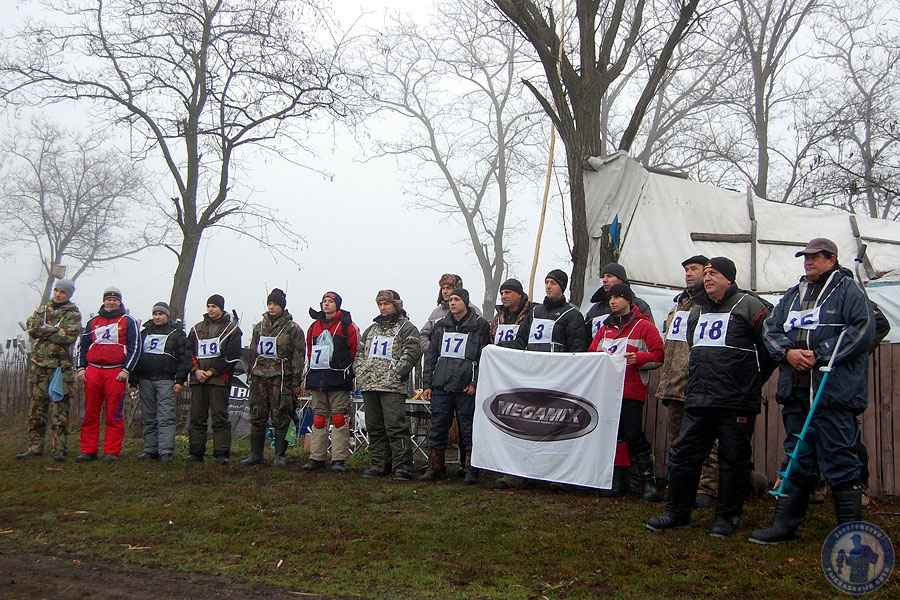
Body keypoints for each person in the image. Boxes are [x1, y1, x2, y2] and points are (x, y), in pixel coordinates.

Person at [749, 238, 874, 545]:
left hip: (833, 393)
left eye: (815, 257)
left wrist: (821, 353)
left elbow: (863, 329)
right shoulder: (793, 295)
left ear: (831, 259)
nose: (808, 261)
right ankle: (784, 526)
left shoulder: (848, 291)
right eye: (805, 257)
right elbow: (770, 329)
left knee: (841, 461)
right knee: (797, 458)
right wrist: (788, 353)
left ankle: (852, 536)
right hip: (796, 391)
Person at [647, 257, 775, 538]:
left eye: (713, 273)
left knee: (733, 460)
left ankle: (727, 516)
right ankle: (677, 512)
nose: (707, 278)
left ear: (729, 278)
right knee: (684, 455)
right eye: (705, 274)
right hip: (699, 399)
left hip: (735, 401)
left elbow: (770, 349)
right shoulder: (697, 311)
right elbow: (694, 346)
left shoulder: (750, 306)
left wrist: (752, 381)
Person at [493, 269, 587, 490]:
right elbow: (520, 342)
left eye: (553, 283)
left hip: (557, 380)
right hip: (532, 377)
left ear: (562, 286)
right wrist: (495, 350)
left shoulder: (572, 315)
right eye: (546, 282)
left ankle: (556, 475)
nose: (548, 286)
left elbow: (578, 350)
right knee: (526, 425)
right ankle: (517, 473)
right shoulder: (535, 313)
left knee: (555, 427)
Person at [589, 283, 665, 501]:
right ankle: (618, 481)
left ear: (629, 300)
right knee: (616, 436)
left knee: (633, 435)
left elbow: (659, 355)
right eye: (610, 298)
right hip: (608, 391)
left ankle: (649, 483)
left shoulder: (644, 326)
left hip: (631, 391)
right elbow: (591, 354)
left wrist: (638, 359)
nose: (612, 301)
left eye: (617, 297)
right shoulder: (605, 329)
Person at [655, 255, 720, 507]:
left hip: (699, 383)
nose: (689, 273)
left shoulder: (711, 304)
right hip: (674, 383)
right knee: (677, 441)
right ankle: (682, 486)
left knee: (706, 441)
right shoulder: (679, 305)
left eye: (694, 269)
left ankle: (707, 487)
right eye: (686, 270)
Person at [420, 288, 491, 484]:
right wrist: (428, 384)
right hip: (442, 384)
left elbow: (483, 356)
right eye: (450, 299)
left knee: (467, 427)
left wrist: (475, 382)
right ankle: (435, 465)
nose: (452, 303)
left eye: (457, 299)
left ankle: (470, 468)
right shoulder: (441, 325)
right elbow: (431, 356)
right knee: (438, 425)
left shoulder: (479, 325)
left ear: (465, 302)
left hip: (465, 386)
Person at [354, 290, 423, 481]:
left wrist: (397, 373)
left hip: (392, 387)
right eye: (380, 304)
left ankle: (402, 466)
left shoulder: (407, 328)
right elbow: (360, 352)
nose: (383, 308)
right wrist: (360, 371)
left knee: (395, 426)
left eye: (386, 304)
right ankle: (379, 464)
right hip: (369, 385)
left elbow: (412, 352)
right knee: (374, 427)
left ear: (396, 305)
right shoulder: (371, 329)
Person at [15, 279, 82, 461]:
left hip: (61, 368)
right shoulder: (43, 310)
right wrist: (54, 330)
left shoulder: (73, 313)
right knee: (37, 407)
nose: (58, 294)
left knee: (60, 409)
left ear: (68, 295)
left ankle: (59, 448)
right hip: (39, 366)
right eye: (57, 290)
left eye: (63, 292)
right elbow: (32, 328)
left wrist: (43, 330)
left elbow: (68, 337)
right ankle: (35, 446)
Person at [74, 287, 141, 462]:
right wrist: (81, 368)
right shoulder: (93, 322)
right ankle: (88, 450)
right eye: (108, 299)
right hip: (94, 370)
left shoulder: (128, 321)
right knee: (90, 412)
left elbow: (135, 347)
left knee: (114, 412)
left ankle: (112, 450)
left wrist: (126, 370)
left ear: (120, 302)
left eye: (115, 300)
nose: (111, 302)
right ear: (104, 301)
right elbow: (83, 346)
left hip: (115, 371)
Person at [241, 288, 305, 468]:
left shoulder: (292, 329)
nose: (271, 307)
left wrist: (296, 382)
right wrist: (251, 374)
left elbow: (298, 356)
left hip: (281, 378)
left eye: (275, 304)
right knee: (257, 414)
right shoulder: (259, 327)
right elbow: (253, 352)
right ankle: (256, 454)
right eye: (269, 303)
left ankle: (280, 454)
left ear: (282, 306)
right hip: (259, 378)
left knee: (281, 416)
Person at [301, 291, 359, 473]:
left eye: (330, 301)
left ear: (337, 305)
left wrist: (345, 369)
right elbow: (310, 351)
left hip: (339, 379)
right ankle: (316, 457)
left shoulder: (347, 326)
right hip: (318, 379)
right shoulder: (314, 327)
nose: (326, 304)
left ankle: (339, 459)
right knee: (319, 418)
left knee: (339, 418)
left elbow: (355, 350)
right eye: (324, 301)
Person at [129, 302, 189, 464]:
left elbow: (182, 359)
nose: (157, 317)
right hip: (145, 379)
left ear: (167, 316)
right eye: (155, 314)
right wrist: (133, 382)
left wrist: (180, 380)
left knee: (166, 416)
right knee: (148, 416)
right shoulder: (144, 333)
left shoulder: (176, 334)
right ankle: (150, 449)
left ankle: (166, 450)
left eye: (160, 314)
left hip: (165, 379)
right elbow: (136, 358)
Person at [185, 294, 243, 464]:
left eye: (214, 307)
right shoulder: (196, 329)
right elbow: (188, 352)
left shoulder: (231, 329)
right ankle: (196, 451)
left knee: (219, 416)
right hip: (198, 379)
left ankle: (221, 452)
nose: (210, 309)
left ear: (221, 308)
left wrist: (212, 371)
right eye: (209, 306)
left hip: (219, 380)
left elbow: (232, 354)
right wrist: (196, 370)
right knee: (197, 416)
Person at [584, 263, 655, 341]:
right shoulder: (595, 310)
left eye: (609, 276)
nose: (604, 280)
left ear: (621, 279)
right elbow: (584, 339)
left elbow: (651, 336)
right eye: (603, 276)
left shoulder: (640, 306)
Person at [419, 274, 483, 354]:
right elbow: (423, 335)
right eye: (443, 288)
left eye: (448, 288)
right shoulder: (436, 313)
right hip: (439, 360)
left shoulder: (473, 311)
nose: (445, 291)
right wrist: (431, 350)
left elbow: (481, 337)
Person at [489, 278, 531, 345]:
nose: (503, 296)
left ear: (519, 294)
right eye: (502, 293)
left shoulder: (530, 315)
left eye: (507, 292)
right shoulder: (498, 318)